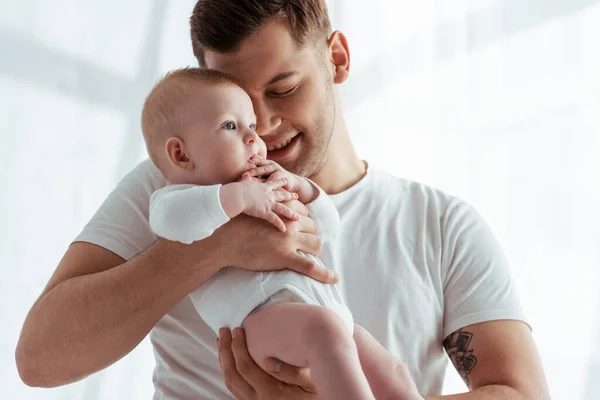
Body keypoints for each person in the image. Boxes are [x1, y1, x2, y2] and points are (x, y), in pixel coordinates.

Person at [15, 1, 550, 399]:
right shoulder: (173, 185)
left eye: (283, 88)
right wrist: (215, 248)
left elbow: (520, 391)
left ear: (336, 59)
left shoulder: (439, 224)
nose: (261, 128)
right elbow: (39, 359)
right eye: (237, 108)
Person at [142, 67, 410, 400]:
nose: (254, 137)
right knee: (325, 335)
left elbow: (329, 226)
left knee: (393, 372)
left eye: (250, 125)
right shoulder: (174, 199)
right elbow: (174, 221)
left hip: (326, 314)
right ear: (181, 154)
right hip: (259, 320)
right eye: (230, 126)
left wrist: (303, 189)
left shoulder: (269, 181)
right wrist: (240, 198)